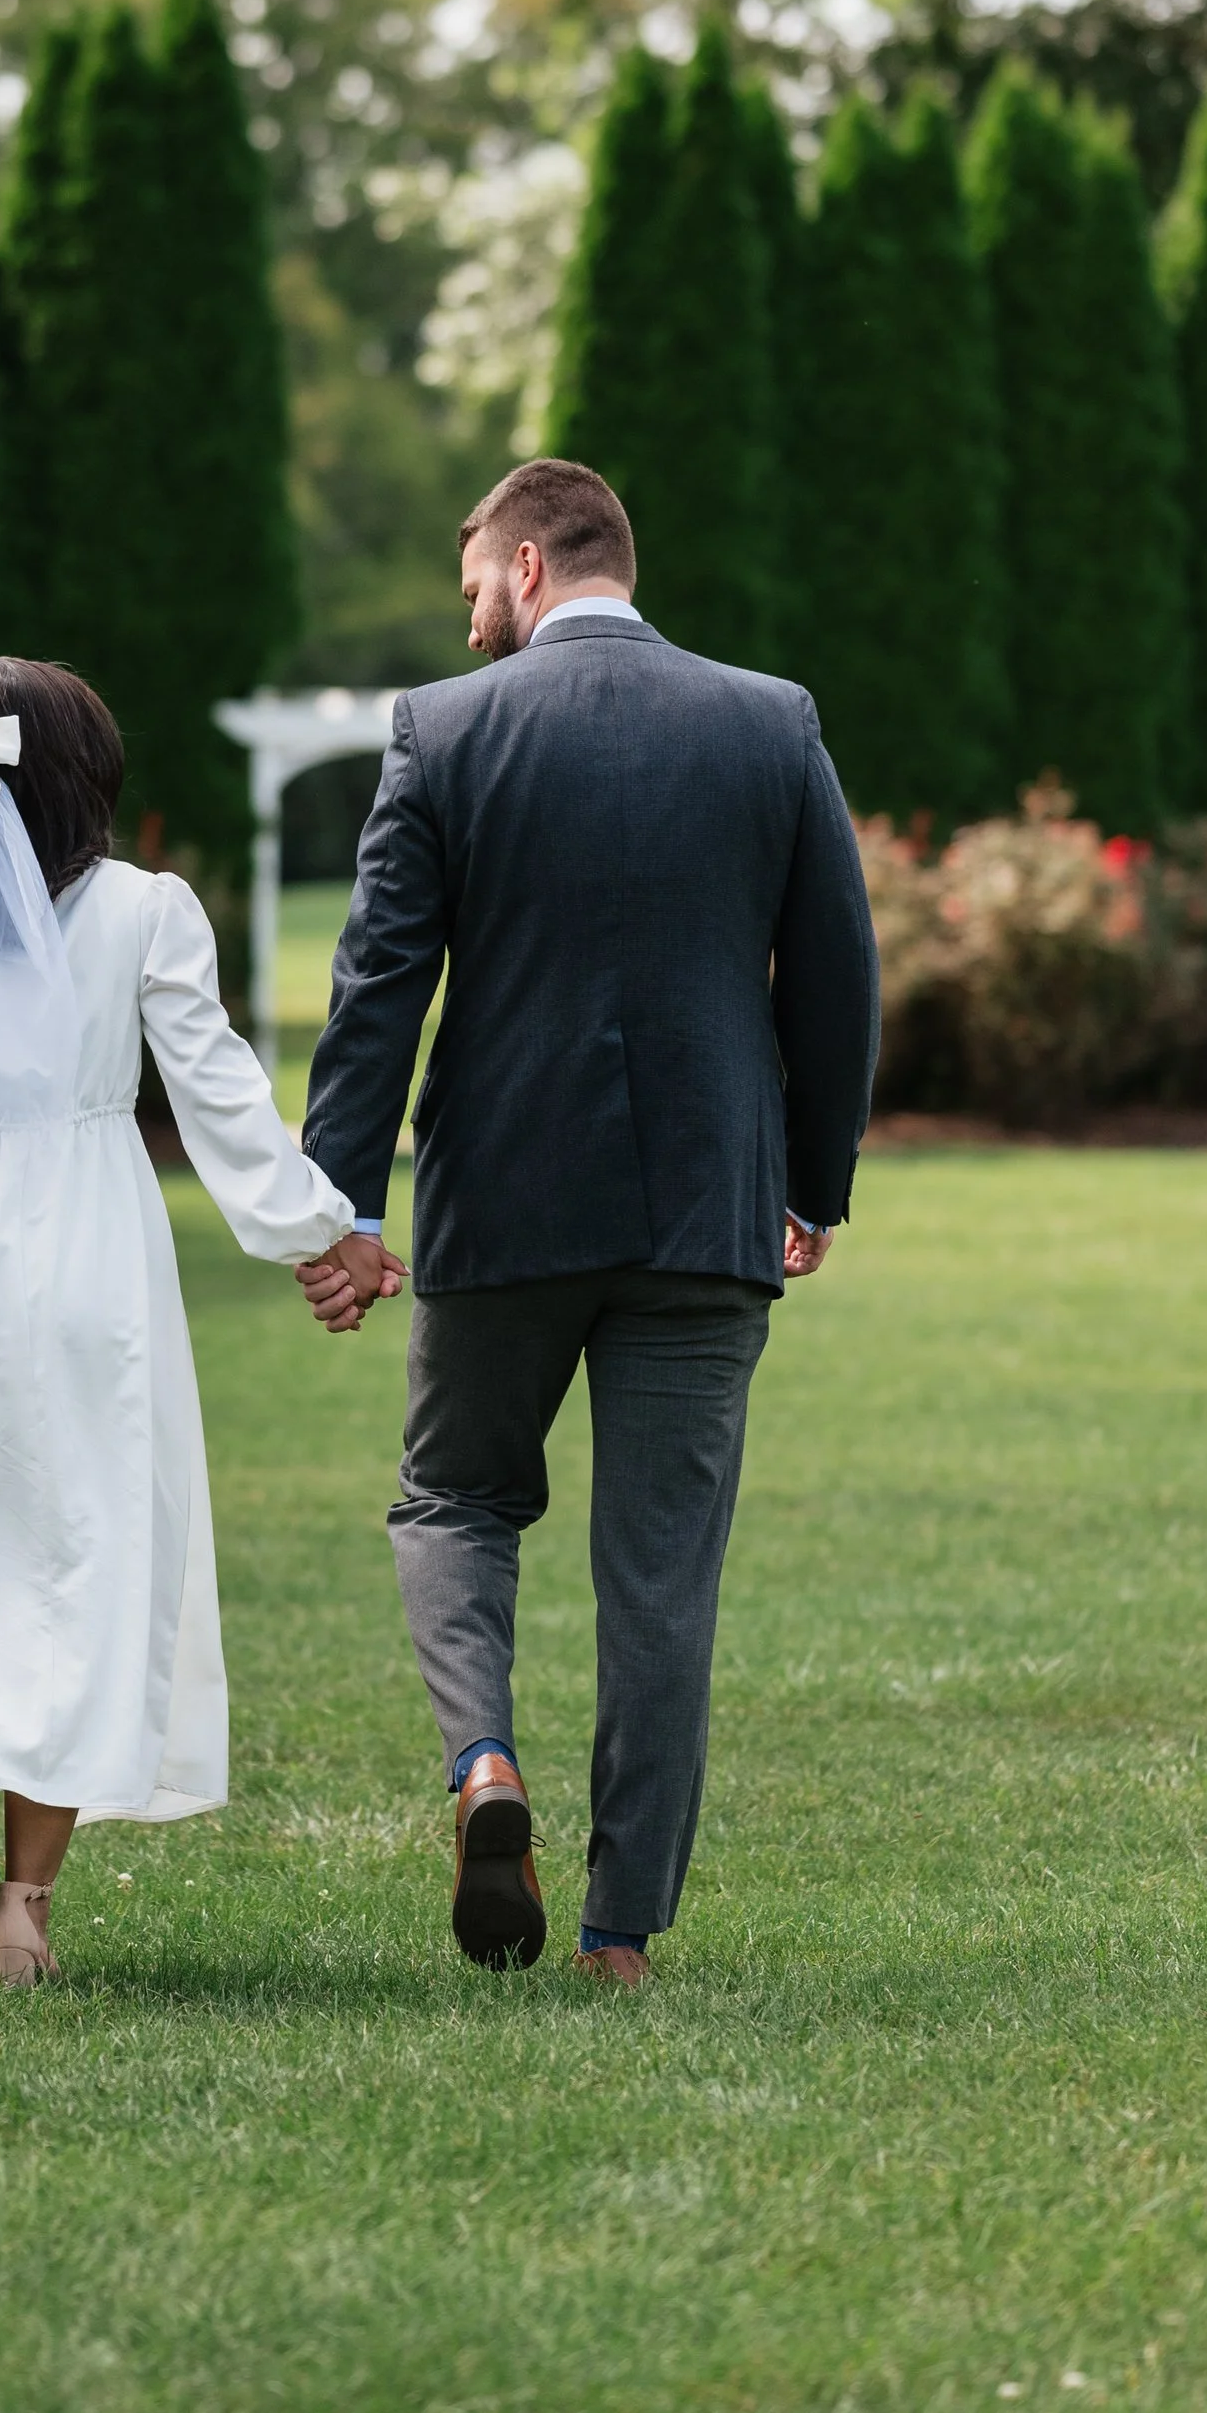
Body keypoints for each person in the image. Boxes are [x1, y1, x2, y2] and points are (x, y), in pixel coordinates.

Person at [296, 458, 879, 1989]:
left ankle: (487, 1766)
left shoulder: (441, 730)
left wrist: (343, 1208)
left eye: (477, 579)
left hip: (504, 1206)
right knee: (662, 1574)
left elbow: (376, 991)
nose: (471, 615)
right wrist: (810, 1182)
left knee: (452, 1502)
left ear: (536, 562)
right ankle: (619, 1937)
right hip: (706, 1212)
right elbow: (836, 977)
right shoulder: (773, 720)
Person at [0, 657, 364, 1985]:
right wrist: (317, 1231)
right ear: (88, 776)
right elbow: (216, 1090)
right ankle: (30, 1899)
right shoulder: (146, 912)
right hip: (86, 1253)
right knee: (81, 1564)